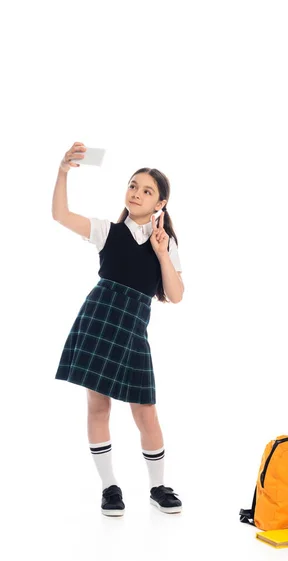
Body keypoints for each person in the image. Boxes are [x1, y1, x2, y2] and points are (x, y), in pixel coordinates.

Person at [52, 141, 184, 517]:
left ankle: (158, 486)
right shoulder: (106, 230)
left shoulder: (165, 243)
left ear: (160, 204)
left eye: (147, 191)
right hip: (99, 320)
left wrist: (161, 253)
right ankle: (110, 488)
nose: (137, 193)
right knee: (98, 406)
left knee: (146, 412)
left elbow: (175, 296)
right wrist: (63, 172)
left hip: (133, 330)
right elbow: (60, 214)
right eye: (133, 186)